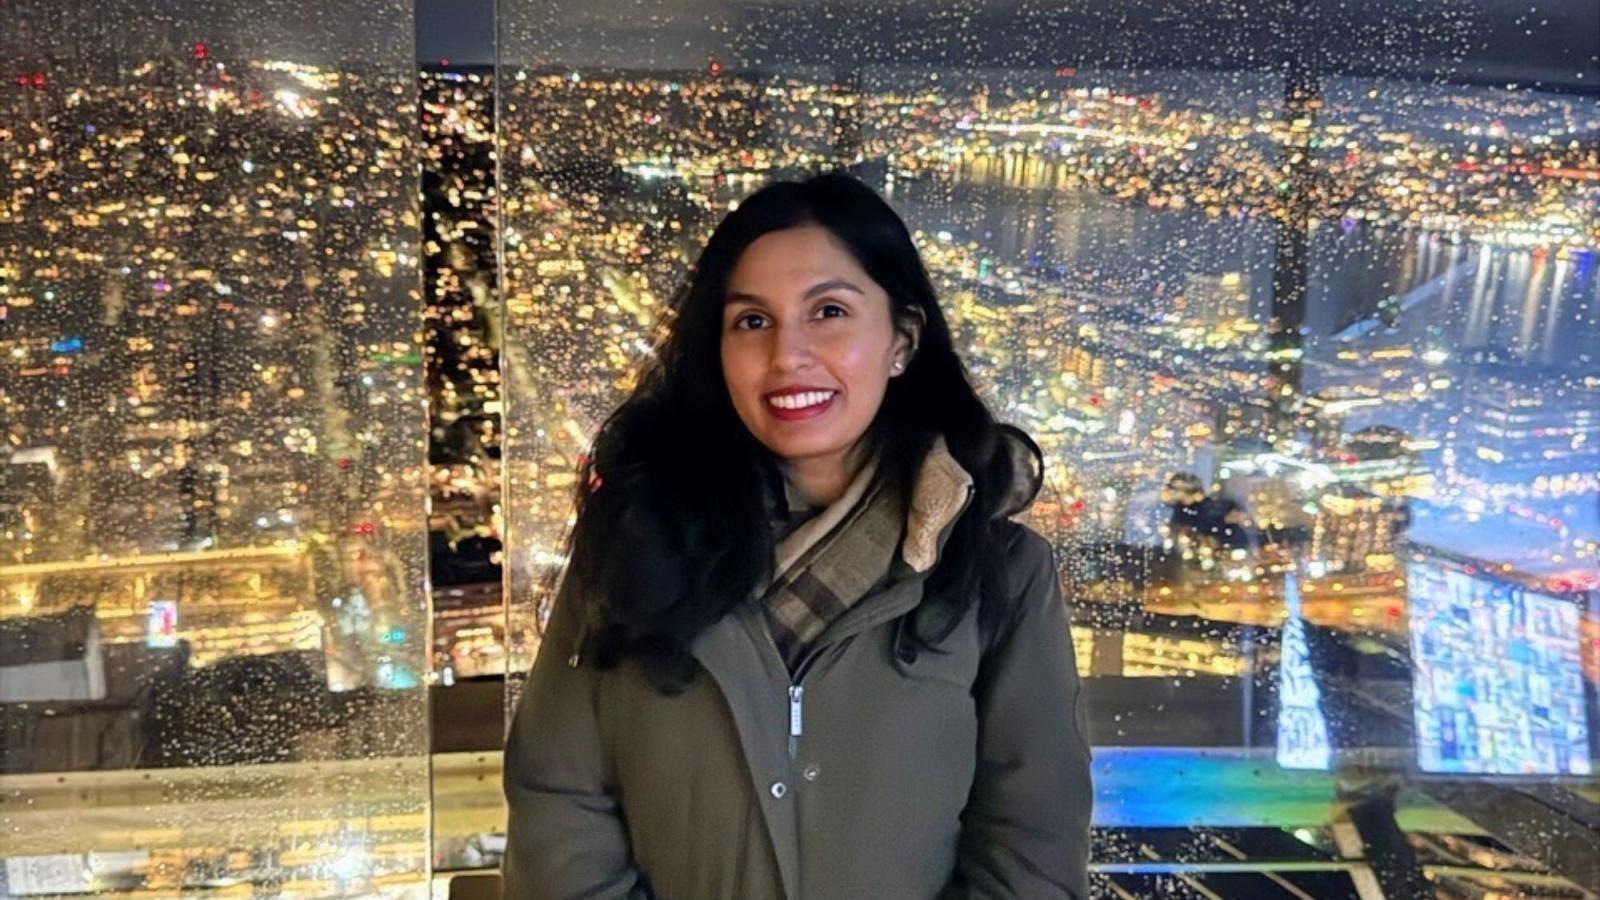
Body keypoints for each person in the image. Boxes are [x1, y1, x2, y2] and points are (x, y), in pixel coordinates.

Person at [503, 171, 1093, 899]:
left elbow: (1030, 845)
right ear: (717, 352)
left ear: (902, 340)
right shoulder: (633, 545)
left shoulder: (997, 572)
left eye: (830, 312)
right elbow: (559, 802)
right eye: (753, 321)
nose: (788, 356)